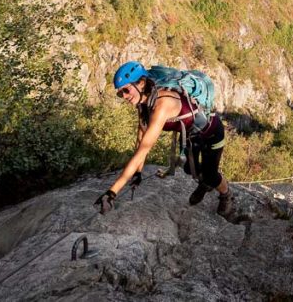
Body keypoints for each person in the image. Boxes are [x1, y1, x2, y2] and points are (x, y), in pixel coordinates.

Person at [94, 61, 232, 216]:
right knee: (188, 169)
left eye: (126, 90)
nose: (124, 96)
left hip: (212, 133)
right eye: (120, 93)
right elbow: (141, 139)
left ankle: (225, 194)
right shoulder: (143, 103)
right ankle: (204, 183)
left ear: (141, 83)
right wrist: (138, 173)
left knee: (211, 174)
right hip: (191, 136)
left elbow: (144, 149)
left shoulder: (162, 105)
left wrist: (112, 193)